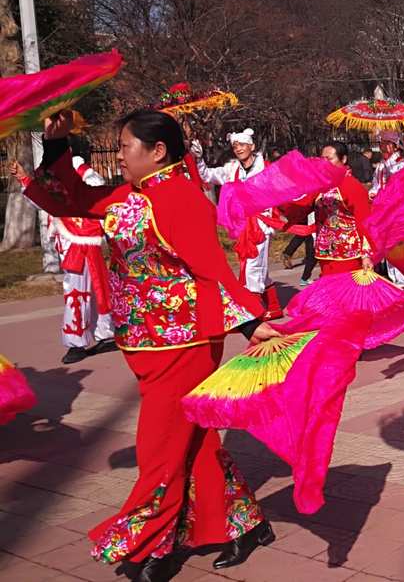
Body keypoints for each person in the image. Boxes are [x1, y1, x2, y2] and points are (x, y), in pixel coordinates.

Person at [15, 110, 278, 582]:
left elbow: (211, 269)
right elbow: (69, 199)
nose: (117, 154)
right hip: (145, 340)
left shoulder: (181, 198)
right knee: (190, 440)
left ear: (157, 152)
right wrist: (56, 147)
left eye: (124, 146)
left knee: (159, 445)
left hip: (187, 342)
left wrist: (251, 323)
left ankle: (153, 541)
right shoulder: (129, 195)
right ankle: (245, 524)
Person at [192, 128, 282, 320]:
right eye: (235, 146)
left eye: (242, 145)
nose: (238, 149)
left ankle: (253, 314)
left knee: (252, 267)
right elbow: (208, 176)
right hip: (241, 226)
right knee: (256, 267)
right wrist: (199, 159)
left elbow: (280, 191)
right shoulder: (231, 168)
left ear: (252, 146)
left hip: (260, 226)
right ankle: (273, 306)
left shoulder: (266, 168)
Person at [47, 136, 115, 364]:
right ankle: (103, 333)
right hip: (70, 239)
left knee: (80, 290)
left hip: (83, 240)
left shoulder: (81, 171)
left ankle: (78, 342)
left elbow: (96, 193)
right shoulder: (54, 175)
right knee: (91, 288)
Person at [286, 142, 374, 277]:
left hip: (348, 253)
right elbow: (301, 206)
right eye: (322, 159)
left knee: (345, 292)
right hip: (325, 252)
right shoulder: (320, 185)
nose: (324, 163)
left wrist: (366, 255)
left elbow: (365, 221)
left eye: (329, 159)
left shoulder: (352, 185)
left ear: (343, 159)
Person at [368, 131, 404, 289]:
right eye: (381, 143)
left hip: (398, 211)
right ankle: (392, 277)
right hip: (382, 210)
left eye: (386, 143)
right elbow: (376, 184)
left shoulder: (401, 162)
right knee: (385, 245)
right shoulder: (380, 165)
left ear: (394, 146)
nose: (382, 147)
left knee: (397, 245)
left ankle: (402, 279)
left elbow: (399, 180)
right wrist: (372, 193)